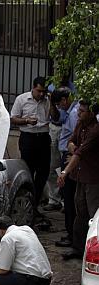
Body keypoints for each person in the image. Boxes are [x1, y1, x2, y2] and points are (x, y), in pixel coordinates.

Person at [57, 101, 99, 260]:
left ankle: (92, 251)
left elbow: (80, 152)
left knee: (93, 216)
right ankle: (78, 248)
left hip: (93, 178)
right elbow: (71, 142)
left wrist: (65, 172)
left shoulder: (95, 130)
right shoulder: (80, 124)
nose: (79, 114)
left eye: (82, 111)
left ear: (91, 113)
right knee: (79, 212)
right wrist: (73, 148)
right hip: (80, 175)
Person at [10, 77, 52, 215]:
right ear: (33, 88)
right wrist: (26, 120)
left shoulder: (47, 100)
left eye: (43, 92)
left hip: (43, 137)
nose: (41, 94)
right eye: (39, 91)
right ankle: (28, 203)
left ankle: (35, 203)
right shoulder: (22, 99)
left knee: (43, 172)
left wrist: (52, 104)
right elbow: (13, 118)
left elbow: (56, 118)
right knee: (29, 170)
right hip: (28, 138)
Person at [50, 88, 79, 248]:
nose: (59, 108)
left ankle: (72, 235)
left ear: (64, 100)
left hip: (70, 158)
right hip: (68, 156)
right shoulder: (72, 112)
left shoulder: (74, 113)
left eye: (58, 104)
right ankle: (71, 233)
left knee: (69, 198)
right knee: (68, 197)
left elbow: (77, 140)